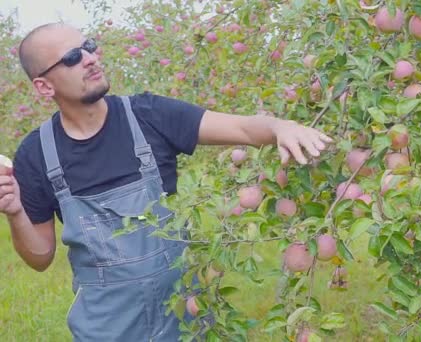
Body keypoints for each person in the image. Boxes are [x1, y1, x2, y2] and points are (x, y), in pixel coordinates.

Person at [0, 22, 332, 341]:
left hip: (183, 319)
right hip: (106, 329)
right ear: (44, 86)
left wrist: (278, 127)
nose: (90, 58)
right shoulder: (38, 154)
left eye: (88, 47)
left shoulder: (149, 115)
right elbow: (40, 257)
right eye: (72, 57)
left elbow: (243, 129)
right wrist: (15, 212)